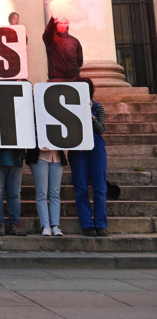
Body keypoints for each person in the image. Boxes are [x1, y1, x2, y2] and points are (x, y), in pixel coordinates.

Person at [68, 77, 108, 237]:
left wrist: (90, 116)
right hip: (77, 149)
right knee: (81, 187)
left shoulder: (98, 107)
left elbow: (101, 129)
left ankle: (101, 224)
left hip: (96, 148)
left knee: (99, 188)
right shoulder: (69, 109)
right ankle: (87, 224)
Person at [26, 145, 66, 237]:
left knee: (55, 193)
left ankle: (55, 225)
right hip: (39, 157)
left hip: (57, 158)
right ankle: (45, 225)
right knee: (42, 193)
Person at [43, 16, 83, 81]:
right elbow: (48, 32)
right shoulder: (51, 39)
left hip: (73, 78)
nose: (63, 25)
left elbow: (79, 61)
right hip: (57, 78)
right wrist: (54, 17)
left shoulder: (75, 41)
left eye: (65, 23)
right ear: (56, 24)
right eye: (60, 23)